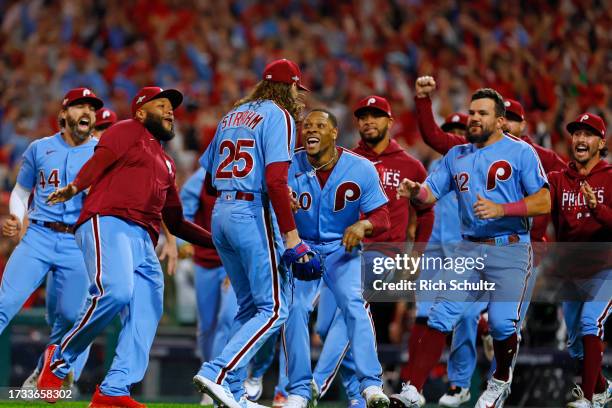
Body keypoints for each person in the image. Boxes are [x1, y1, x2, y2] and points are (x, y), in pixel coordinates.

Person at [38, 86, 214, 408]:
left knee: (148, 310)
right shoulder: (126, 129)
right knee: (116, 291)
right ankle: (59, 359)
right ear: (141, 112)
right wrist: (77, 185)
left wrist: (217, 242)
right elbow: (101, 159)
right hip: (108, 221)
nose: (169, 111)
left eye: (171, 107)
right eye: (161, 105)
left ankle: (114, 389)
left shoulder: (167, 163)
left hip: (145, 240)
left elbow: (174, 222)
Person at [392, 88, 550, 408]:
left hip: (510, 247)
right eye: (472, 112)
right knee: (440, 315)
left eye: (483, 113)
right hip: (469, 248)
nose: (474, 118)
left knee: (502, 324)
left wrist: (502, 209)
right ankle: (414, 388)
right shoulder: (457, 155)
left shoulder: (521, 153)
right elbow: (430, 195)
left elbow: (544, 200)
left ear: (500, 120)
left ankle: (500, 380)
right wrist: (414, 192)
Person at [193, 59, 320, 408]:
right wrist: (292, 236)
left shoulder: (231, 115)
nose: (299, 96)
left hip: (222, 212)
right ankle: (217, 371)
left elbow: (208, 179)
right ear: (287, 87)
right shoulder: (279, 115)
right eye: (296, 87)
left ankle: (232, 392)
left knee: (251, 307)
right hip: (251, 213)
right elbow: (277, 179)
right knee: (276, 308)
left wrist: (259, 189)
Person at [305, 96, 434, 408]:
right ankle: (358, 397)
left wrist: (417, 253)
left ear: (390, 122)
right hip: (344, 253)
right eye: (363, 117)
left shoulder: (410, 164)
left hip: (383, 253)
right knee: (326, 326)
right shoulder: (344, 159)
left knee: (352, 307)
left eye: (376, 116)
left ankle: (313, 383)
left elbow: (427, 210)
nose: (368, 122)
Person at [283, 109, 391, 408]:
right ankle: (299, 390)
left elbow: (382, 217)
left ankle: (370, 385)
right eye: (307, 126)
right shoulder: (287, 165)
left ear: (334, 133)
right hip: (302, 249)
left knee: (354, 305)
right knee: (295, 309)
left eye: (320, 125)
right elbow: (266, 206)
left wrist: (362, 224)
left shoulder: (360, 167)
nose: (311, 130)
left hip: (342, 250)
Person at [0, 88, 103, 392]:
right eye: (79, 106)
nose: (86, 112)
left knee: (72, 318)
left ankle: (48, 379)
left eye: (91, 108)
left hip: (78, 242)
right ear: (63, 114)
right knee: (5, 303)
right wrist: (18, 218)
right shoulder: (39, 148)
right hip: (38, 236)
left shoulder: (102, 152)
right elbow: (21, 191)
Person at [547, 113, 611, 408]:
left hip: (606, 269)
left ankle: (586, 398)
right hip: (572, 274)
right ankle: (601, 388)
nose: (581, 139)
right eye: (576, 134)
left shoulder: (610, 177)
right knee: (575, 346)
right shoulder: (559, 179)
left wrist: (597, 208)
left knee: (590, 323)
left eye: (588, 134)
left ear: (601, 142)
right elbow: (555, 225)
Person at [180, 167, 238, 406]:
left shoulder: (248, 174)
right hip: (205, 259)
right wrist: (183, 240)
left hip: (232, 259)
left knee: (228, 319)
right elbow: (185, 206)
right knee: (206, 327)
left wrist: (240, 264)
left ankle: (218, 378)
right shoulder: (203, 176)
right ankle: (207, 376)